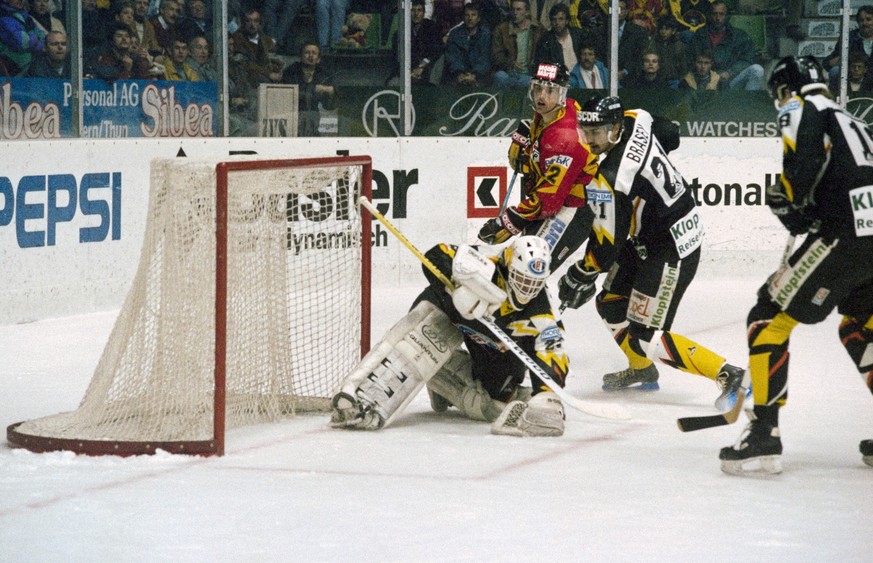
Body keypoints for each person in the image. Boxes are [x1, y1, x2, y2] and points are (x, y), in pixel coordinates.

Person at [718, 56, 873, 475]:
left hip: (845, 235)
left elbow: (800, 174)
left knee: (767, 316)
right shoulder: (849, 118)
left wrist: (789, 200)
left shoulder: (799, 108)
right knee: (860, 325)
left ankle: (764, 436)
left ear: (785, 89)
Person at [559, 94, 746, 410]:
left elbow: (607, 247)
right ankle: (642, 368)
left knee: (646, 335)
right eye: (586, 131)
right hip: (657, 233)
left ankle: (730, 375)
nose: (590, 140)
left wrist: (582, 272)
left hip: (672, 247)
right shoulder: (637, 117)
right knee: (610, 302)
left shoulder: (611, 177)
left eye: (598, 132)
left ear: (616, 128)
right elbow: (670, 131)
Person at [330, 235, 570, 437]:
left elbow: (553, 353)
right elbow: (434, 256)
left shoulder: (543, 311)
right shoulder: (486, 261)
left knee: (490, 402)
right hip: (450, 311)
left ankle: (443, 382)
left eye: (534, 283)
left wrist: (546, 395)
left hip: (494, 348)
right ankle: (357, 391)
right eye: (522, 280)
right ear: (508, 266)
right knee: (415, 345)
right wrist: (465, 290)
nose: (527, 290)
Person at [477, 62, 598, 274]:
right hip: (553, 198)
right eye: (538, 88)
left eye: (550, 90)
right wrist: (531, 145)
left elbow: (548, 200)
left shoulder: (564, 138)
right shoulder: (554, 112)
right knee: (517, 268)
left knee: (527, 272)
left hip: (573, 208)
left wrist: (509, 221)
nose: (542, 96)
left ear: (562, 94)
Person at [687, 0, 763, 91]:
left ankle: (748, 104)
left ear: (727, 16)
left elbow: (747, 59)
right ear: (709, 16)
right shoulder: (699, 35)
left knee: (757, 70)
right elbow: (692, 59)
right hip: (704, 83)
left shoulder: (739, 36)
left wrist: (730, 72)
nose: (718, 18)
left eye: (721, 14)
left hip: (730, 82)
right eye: (715, 14)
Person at [280, 41, 336, 136]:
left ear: (318, 59)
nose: (310, 56)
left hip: (317, 119)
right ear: (300, 57)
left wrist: (330, 91)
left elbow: (330, 105)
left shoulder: (324, 74)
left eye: (314, 53)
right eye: (307, 53)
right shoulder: (291, 72)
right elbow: (285, 95)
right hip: (293, 117)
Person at [388, 0, 442, 85]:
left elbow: (436, 51)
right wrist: (409, 73)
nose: (416, 14)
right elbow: (397, 58)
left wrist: (422, 67)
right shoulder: (400, 33)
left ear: (424, 13)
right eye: (412, 10)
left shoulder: (432, 27)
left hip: (427, 68)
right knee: (392, 83)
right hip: (408, 71)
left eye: (419, 10)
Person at [490, 0, 542, 88]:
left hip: (528, 74)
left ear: (527, 12)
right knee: (500, 77)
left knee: (529, 82)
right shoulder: (501, 29)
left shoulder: (537, 29)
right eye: (513, 9)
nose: (515, 13)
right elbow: (496, 55)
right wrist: (511, 63)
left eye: (519, 9)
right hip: (508, 71)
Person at [444, 1, 492, 86]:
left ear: (478, 18)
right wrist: (460, 74)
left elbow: (485, 58)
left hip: (479, 76)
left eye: (473, 15)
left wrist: (474, 75)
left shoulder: (485, 34)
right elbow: (453, 57)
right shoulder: (455, 34)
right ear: (463, 18)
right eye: (467, 15)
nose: (470, 18)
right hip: (458, 75)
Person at [230, 7, 282, 85]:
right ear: (243, 22)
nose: (252, 24)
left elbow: (276, 60)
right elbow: (243, 63)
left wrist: (274, 69)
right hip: (246, 79)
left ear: (260, 23)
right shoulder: (237, 38)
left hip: (265, 77)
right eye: (248, 21)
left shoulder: (266, 39)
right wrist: (268, 74)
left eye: (256, 21)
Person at [823, 5, 873, 83]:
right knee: (835, 71)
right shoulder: (849, 38)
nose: (864, 23)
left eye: (868, 19)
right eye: (861, 20)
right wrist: (843, 58)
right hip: (854, 77)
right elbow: (828, 62)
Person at [0, 0, 46, 76]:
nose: (21, 0)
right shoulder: (3, 17)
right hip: (13, 70)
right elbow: (23, 42)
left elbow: (43, 37)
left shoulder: (25, 15)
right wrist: (36, 39)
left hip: (30, 66)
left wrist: (33, 39)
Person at [533, 3, 583, 70]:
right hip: (559, 78)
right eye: (554, 19)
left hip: (581, 75)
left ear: (567, 21)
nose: (557, 23)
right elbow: (541, 66)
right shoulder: (545, 41)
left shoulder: (577, 35)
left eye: (561, 19)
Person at [647, 14, 686, 88]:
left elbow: (683, 65)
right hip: (656, 80)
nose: (663, 31)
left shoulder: (679, 45)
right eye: (661, 28)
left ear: (673, 31)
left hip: (673, 80)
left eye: (667, 29)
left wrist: (680, 79)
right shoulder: (653, 43)